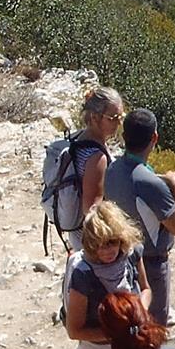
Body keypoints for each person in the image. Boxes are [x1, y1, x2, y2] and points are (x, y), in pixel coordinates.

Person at [42, 87, 125, 325]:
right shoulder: (96, 156)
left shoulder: (78, 139)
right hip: (88, 234)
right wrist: (107, 244)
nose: (118, 123)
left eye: (120, 117)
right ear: (96, 117)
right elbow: (93, 207)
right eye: (113, 118)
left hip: (75, 228)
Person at [103, 107, 175, 326]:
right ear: (154, 138)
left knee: (128, 320)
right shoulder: (149, 183)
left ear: (124, 137)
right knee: (152, 326)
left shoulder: (112, 169)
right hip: (151, 263)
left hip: (121, 258)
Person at [65, 201, 152, 349]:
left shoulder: (132, 253)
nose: (106, 251)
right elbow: (75, 330)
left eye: (111, 242)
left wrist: (140, 310)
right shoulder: (83, 275)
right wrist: (117, 334)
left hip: (133, 342)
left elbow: (145, 289)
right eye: (98, 245)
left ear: (121, 237)